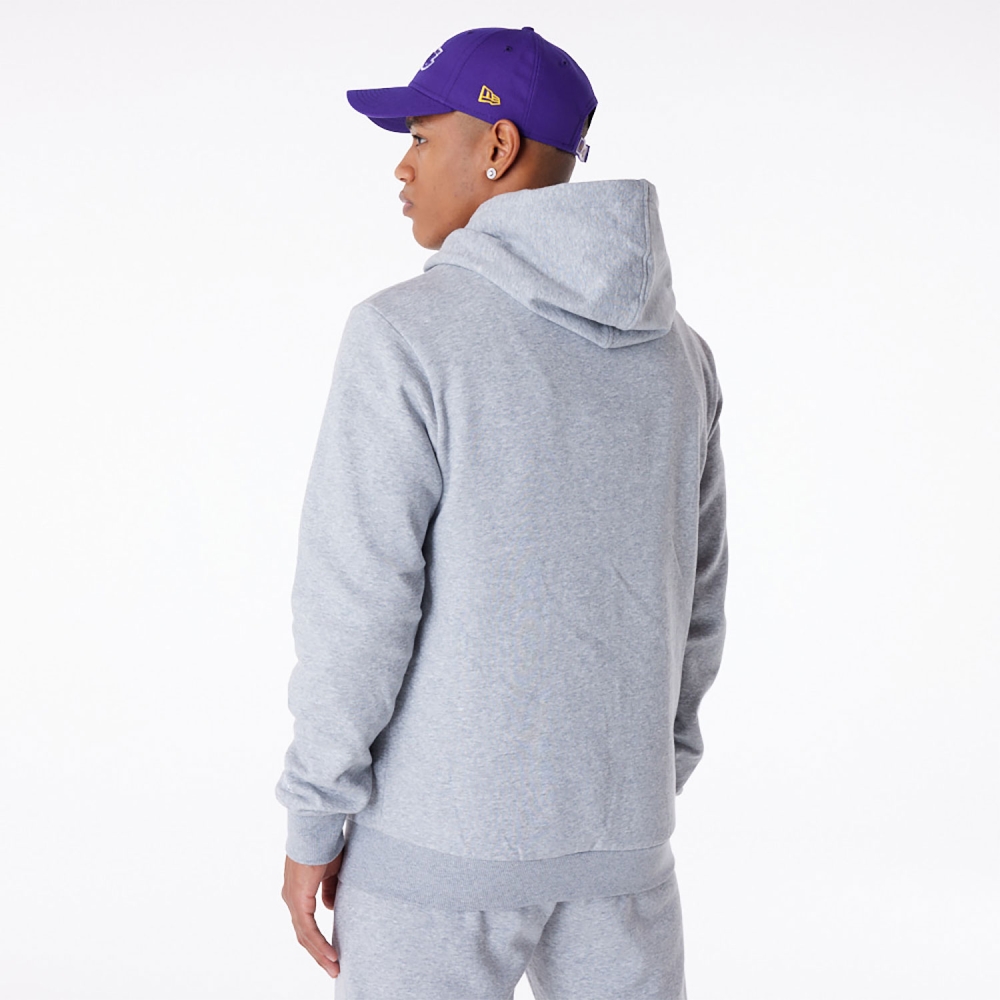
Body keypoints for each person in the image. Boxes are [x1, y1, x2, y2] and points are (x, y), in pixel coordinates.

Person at [275, 25, 728, 1000]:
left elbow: (357, 604)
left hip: (436, 856)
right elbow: (697, 599)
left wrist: (315, 814)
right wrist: (645, 783)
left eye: (419, 136)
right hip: (624, 851)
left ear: (497, 144)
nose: (401, 167)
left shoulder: (405, 335)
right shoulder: (679, 356)